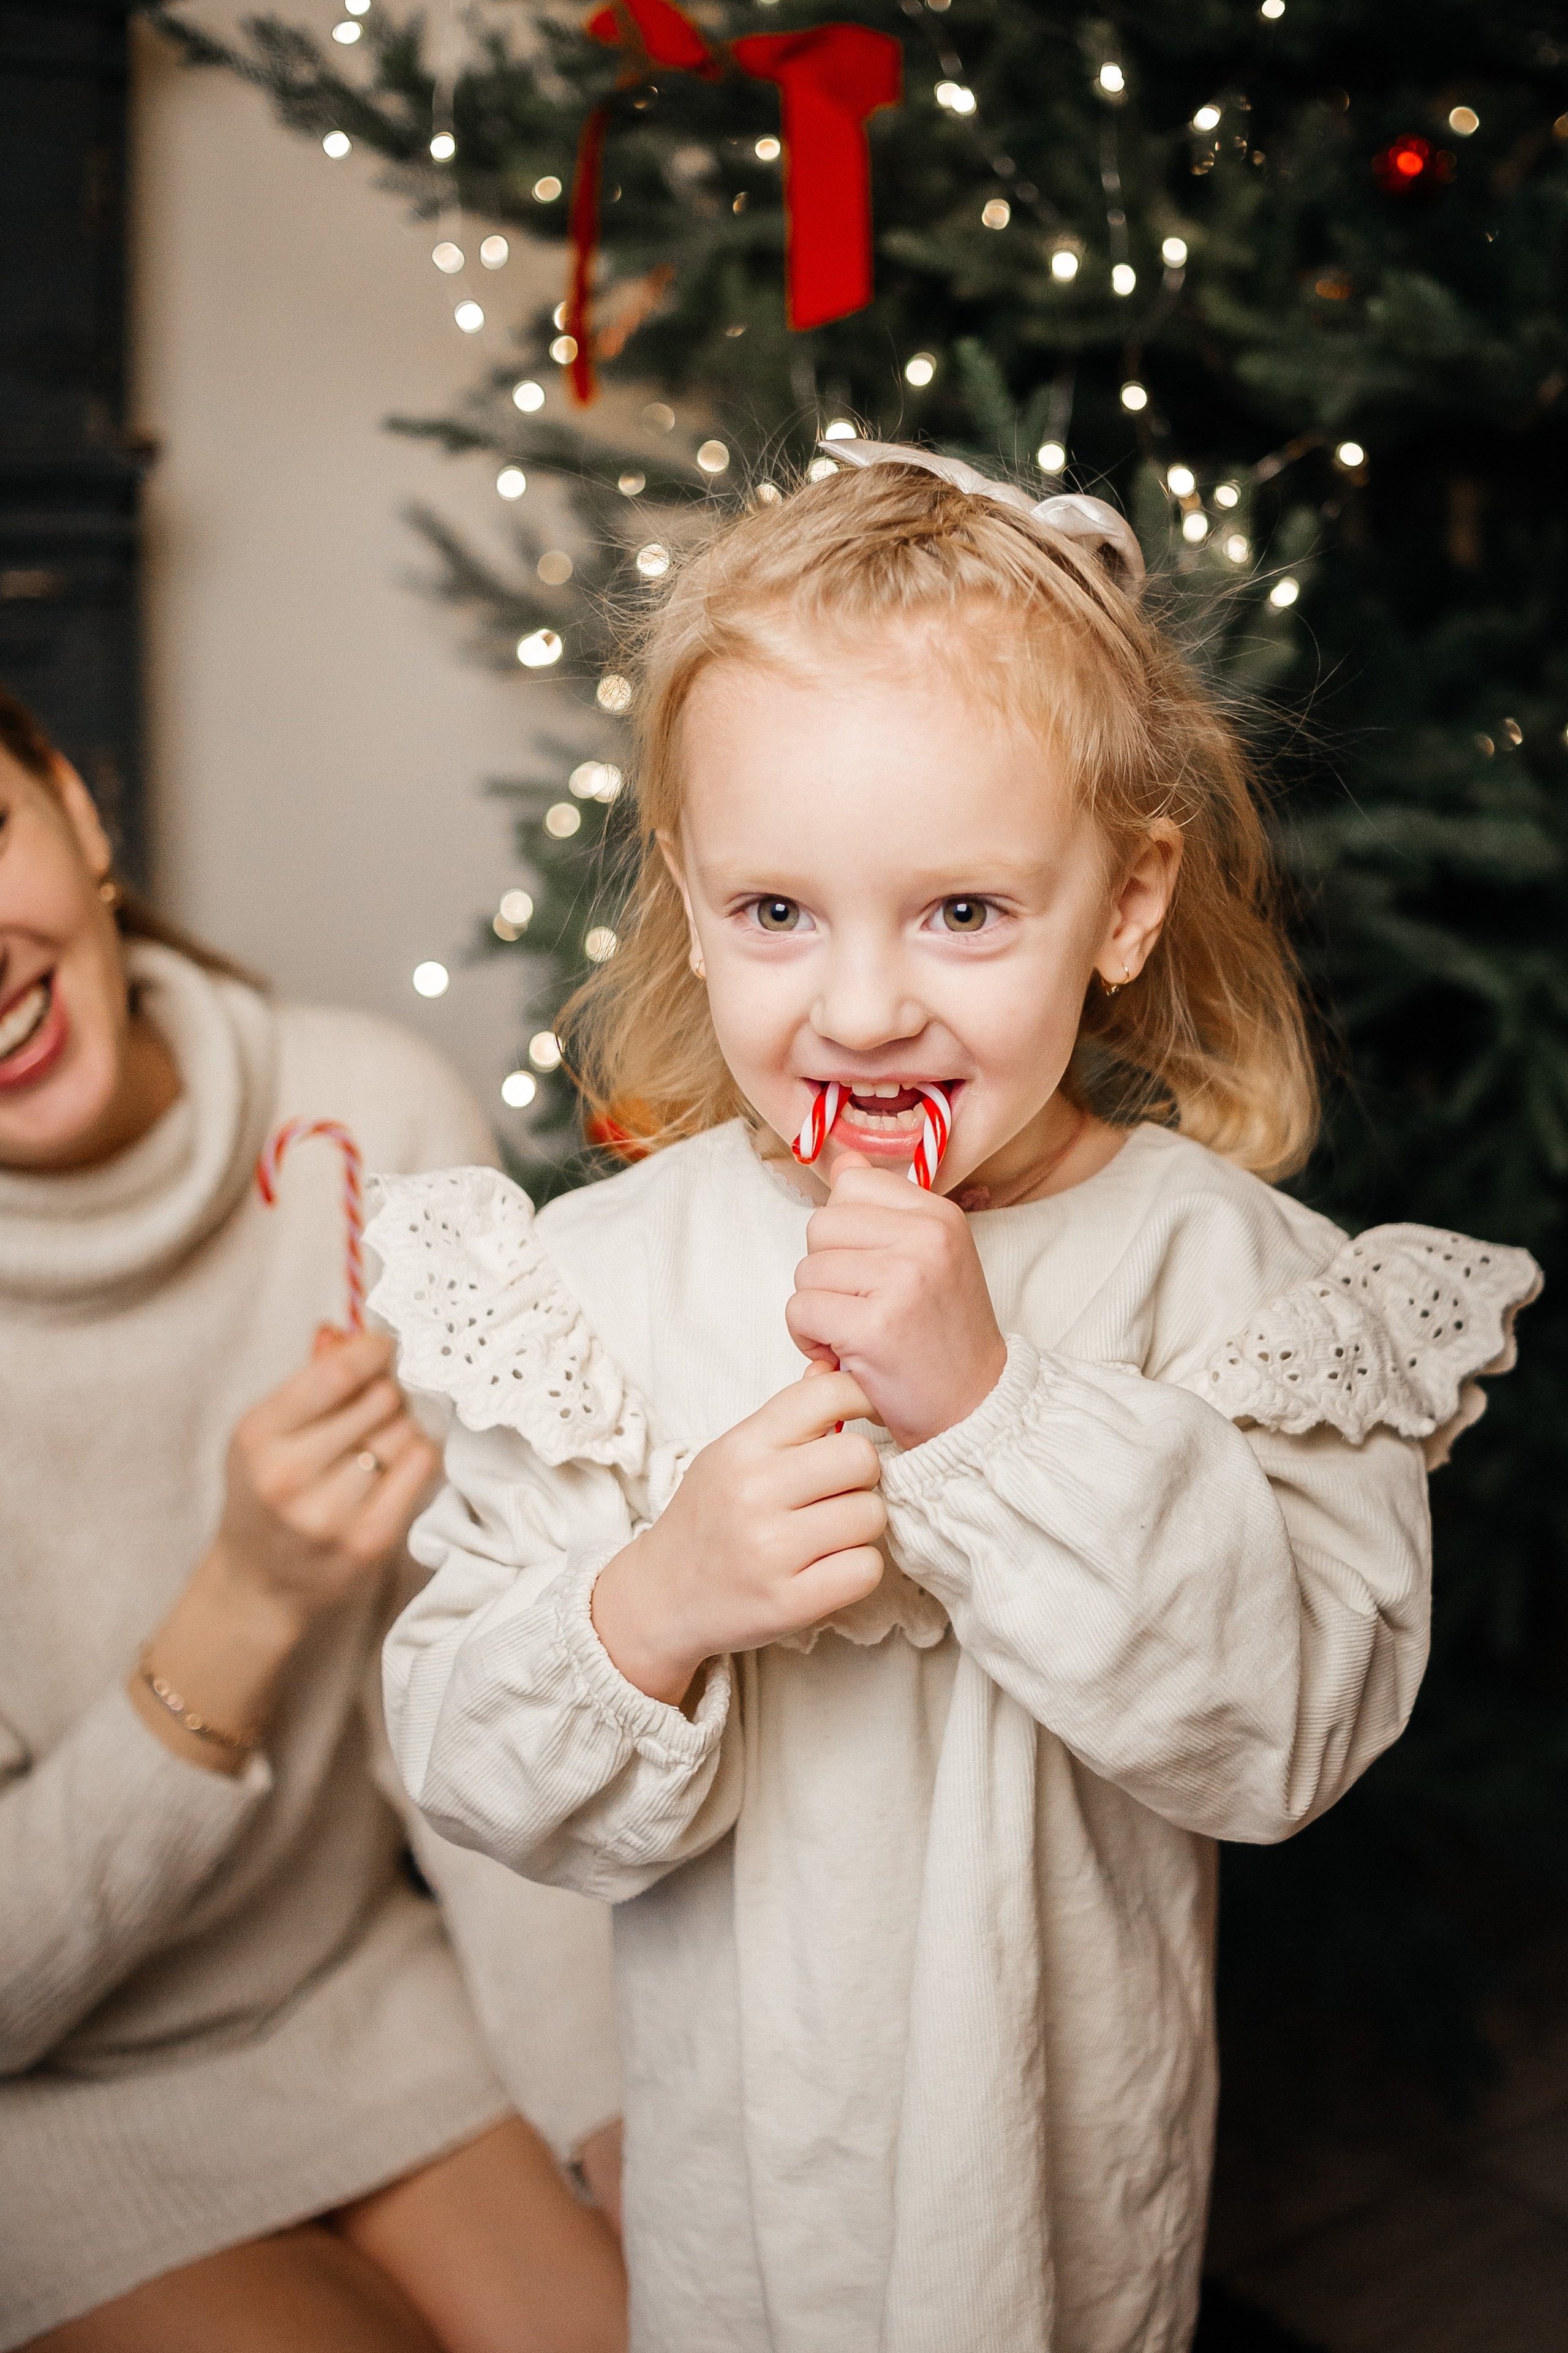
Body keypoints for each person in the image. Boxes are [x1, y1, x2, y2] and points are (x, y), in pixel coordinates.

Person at [366, 449, 1540, 2353]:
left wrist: (996, 1412)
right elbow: (469, 1756)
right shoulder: (600, 1286)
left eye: (965, 914)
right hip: (740, 2224)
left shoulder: (1219, 1276)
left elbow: (1289, 1729)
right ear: (686, 891)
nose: (863, 1008)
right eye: (776, 912)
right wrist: (653, 1598)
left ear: (1128, 901)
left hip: (1061, 2228)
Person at [0, 688, 626, 2353]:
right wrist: (247, 1600)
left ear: (73, 806)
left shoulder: (366, 1122)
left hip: (361, 1999)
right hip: (39, 2107)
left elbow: (498, 1684)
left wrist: (614, 2109)